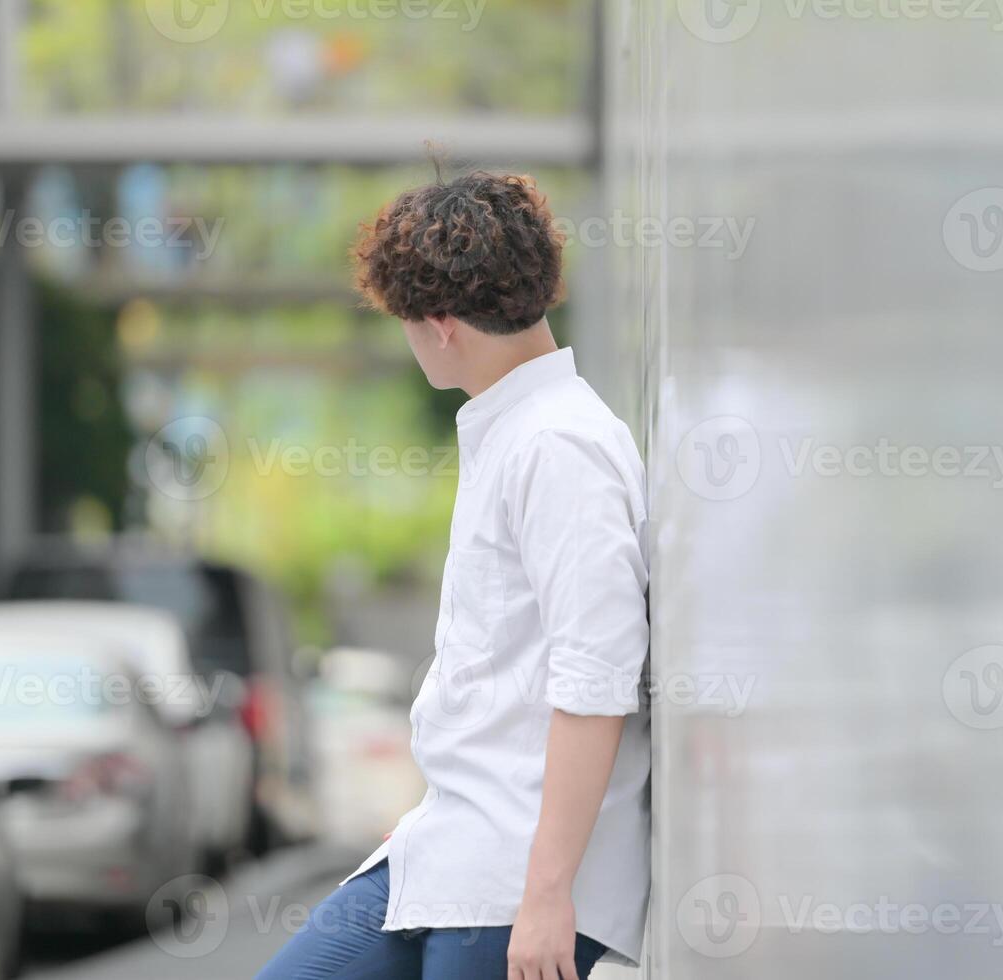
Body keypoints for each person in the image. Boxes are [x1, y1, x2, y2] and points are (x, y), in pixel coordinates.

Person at [257, 169, 650, 980]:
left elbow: (596, 679)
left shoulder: (557, 445)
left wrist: (546, 897)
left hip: (512, 888)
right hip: (448, 851)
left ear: (439, 326)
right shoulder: (520, 431)